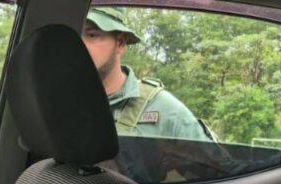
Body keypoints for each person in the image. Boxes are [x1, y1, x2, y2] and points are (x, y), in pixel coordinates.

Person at [82, 7, 213, 142]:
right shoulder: (66, 105)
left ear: (120, 42)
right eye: (74, 35)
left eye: (92, 35)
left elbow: (210, 156)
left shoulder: (168, 113)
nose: (78, 45)